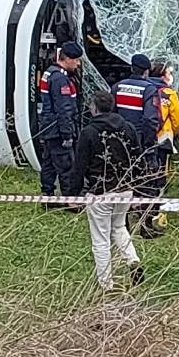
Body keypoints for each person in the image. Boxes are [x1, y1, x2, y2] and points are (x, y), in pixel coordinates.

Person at [70, 90, 146, 291]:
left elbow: (79, 165)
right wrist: (137, 183)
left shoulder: (89, 132)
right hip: (125, 189)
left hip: (100, 191)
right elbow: (138, 158)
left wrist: (72, 193)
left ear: (93, 108)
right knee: (119, 227)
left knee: (100, 238)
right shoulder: (128, 128)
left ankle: (106, 283)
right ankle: (132, 259)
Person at [37, 42, 84, 203]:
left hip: (49, 127)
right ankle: (70, 200)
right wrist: (67, 134)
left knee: (49, 163)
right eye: (76, 60)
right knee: (66, 165)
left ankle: (47, 194)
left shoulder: (49, 73)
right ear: (68, 59)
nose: (78, 64)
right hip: (58, 129)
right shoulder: (60, 79)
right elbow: (64, 109)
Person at [113, 54, 163, 164]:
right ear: (146, 71)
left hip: (119, 138)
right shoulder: (149, 90)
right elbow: (150, 119)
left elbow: (112, 113)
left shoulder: (117, 87)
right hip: (139, 139)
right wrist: (149, 144)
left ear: (131, 68)